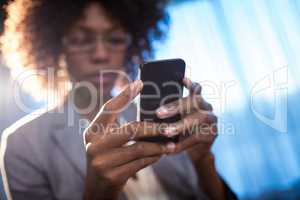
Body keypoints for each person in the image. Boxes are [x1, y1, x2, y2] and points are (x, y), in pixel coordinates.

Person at [0, 0, 236, 200]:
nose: (101, 54)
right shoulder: (22, 144)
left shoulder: (164, 115)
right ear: (54, 46)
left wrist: (203, 160)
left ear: (131, 46)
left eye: (114, 39)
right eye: (81, 39)